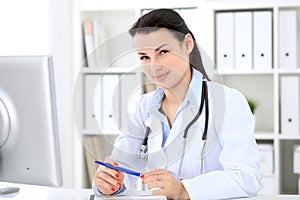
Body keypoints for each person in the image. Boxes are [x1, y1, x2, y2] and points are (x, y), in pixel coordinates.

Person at [93, 8, 262, 199]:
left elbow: (247, 177)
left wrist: (185, 190)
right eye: (144, 57)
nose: (154, 65)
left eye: (163, 51)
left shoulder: (228, 101)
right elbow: (123, 166)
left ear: (187, 44)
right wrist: (110, 182)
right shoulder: (142, 107)